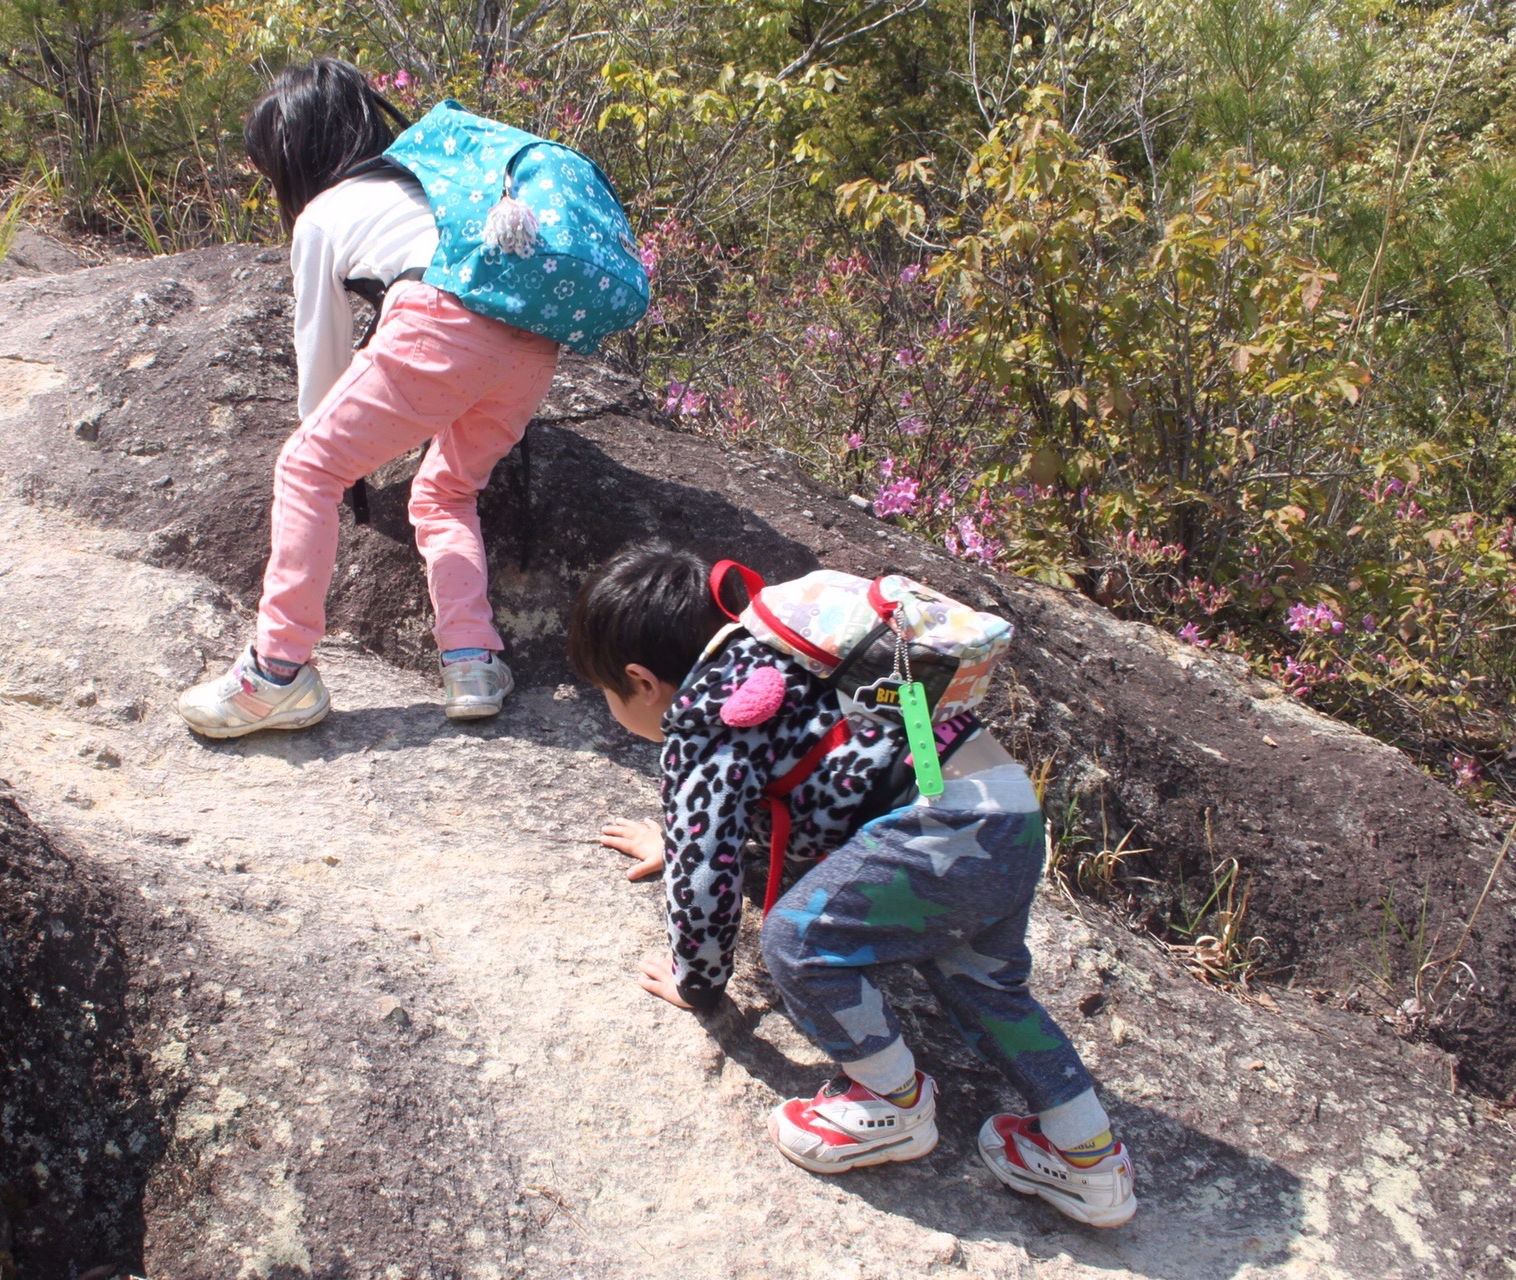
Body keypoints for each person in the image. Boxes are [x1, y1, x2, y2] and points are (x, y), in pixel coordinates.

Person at [572, 543, 1137, 1228]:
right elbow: (790, 784)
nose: (610, 706)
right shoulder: (788, 649)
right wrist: (679, 839)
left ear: (642, 681)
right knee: (984, 985)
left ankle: (891, 1103)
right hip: (1005, 812)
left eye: (605, 692)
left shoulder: (699, 717)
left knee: (796, 940)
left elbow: (705, 866)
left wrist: (698, 981)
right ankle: (1088, 1159)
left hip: (942, 830)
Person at [177, 58, 559, 737]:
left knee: (305, 467)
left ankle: (277, 673)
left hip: (441, 322)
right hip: (532, 341)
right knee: (446, 494)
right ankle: (471, 663)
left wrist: (329, 442)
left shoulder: (323, 214)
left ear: (293, 157)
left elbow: (321, 364)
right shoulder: (434, 183)